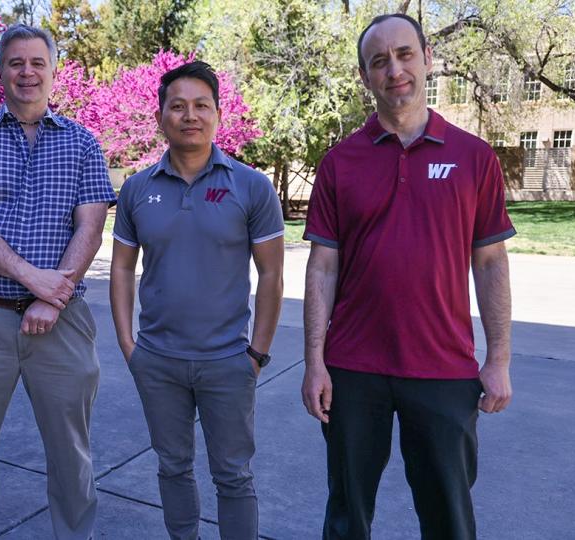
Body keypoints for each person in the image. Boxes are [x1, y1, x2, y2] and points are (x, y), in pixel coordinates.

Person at [301, 14, 515, 540]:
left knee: (448, 518)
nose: (394, 69)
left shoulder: (474, 158)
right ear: (364, 76)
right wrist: (313, 363)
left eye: (404, 54)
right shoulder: (340, 162)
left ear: (426, 60)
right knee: (347, 516)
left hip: (444, 369)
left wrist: (500, 360)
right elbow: (322, 266)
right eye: (379, 61)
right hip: (353, 369)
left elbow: (490, 263)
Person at [0, 24, 116, 540]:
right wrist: (34, 279)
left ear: (54, 70)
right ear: (0, 71)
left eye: (37, 62)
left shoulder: (82, 142)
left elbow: (91, 225)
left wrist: (52, 299)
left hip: (61, 324)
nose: (27, 72)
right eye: (16, 62)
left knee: (71, 451)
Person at [110, 61, 285, 540]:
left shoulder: (251, 186)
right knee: (172, 467)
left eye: (201, 105)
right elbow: (122, 268)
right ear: (161, 116)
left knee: (233, 476)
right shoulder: (138, 189)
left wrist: (257, 353)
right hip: (158, 360)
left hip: (228, 361)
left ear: (217, 114)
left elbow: (271, 273)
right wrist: (129, 346)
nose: (190, 115)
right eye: (178, 106)